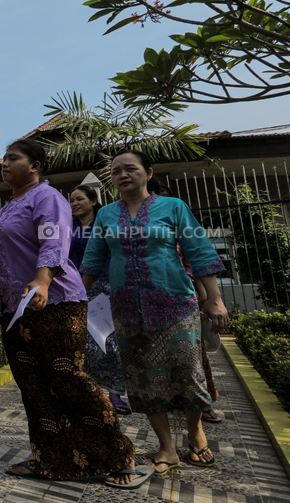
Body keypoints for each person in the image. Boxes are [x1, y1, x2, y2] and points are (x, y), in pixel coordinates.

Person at [0, 140, 145, 488]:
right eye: (4, 159)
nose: (5, 164)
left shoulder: (47, 198)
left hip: (54, 299)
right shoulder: (9, 205)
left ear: (36, 165)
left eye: (14, 158)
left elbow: (53, 239)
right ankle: (51, 458)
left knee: (66, 377)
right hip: (17, 309)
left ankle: (119, 453)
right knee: (33, 386)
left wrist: (42, 279)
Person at [81, 150, 228, 475]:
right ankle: (167, 447)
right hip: (127, 311)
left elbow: (200, 251)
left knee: (188, 373)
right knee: (142, 379)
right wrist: (75, 299)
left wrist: (214, 299)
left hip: (175, 305)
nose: (122, 175)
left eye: (130, 168)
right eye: (116, 171)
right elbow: (92, 261)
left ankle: (195, 431)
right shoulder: (106, 215)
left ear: (148, 173)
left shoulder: (173, 207)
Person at [155, 184, 223, 425]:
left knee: (192, 354)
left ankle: (205, 402)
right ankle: (176, 399)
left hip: (184, 293)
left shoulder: (180, 225)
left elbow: (197, 259)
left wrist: (207, 295)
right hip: (151, 298)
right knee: (160, 355)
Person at [68, 185, 131, 415]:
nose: (74, 204)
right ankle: (89, 393)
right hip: (74, 289)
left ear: (94, 201)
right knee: (81, 342)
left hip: (104, 286)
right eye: (72, 200)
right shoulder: (68, 227)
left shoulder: (104, 223)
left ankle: (114, 394)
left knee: (108, 340)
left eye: (79, 199)